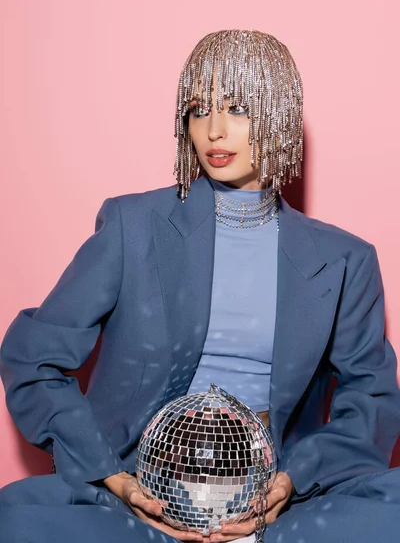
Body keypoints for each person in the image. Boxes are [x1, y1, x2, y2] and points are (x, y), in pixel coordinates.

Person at [0, 29, 399, 543]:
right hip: (142, 500)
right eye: (196, 108)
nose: (213, 130)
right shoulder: (133, 225)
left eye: (236, 107)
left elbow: (371, 395)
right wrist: (114, 478)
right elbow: (31, 356)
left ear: (280, 112)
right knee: (17, 520)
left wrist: (292, 482)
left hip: (276, 503)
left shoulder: (346, 259)